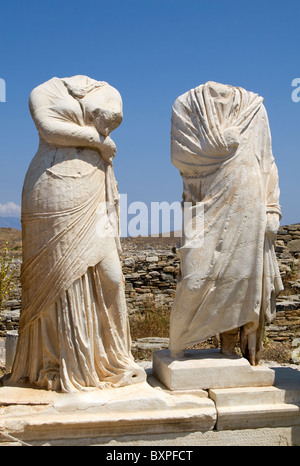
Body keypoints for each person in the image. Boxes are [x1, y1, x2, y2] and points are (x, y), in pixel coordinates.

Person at [9, 75, 145, 392]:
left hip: (95, 185)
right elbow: (49, 129)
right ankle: (56, 363)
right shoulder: (42, 90)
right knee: (56, 276)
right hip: (50, 184)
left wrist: (99, 128)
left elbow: (112, 119)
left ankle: (106, 361)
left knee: (110, 276)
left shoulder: (109, 90)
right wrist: (97, 141)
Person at [169, 81, 283, 365]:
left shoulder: (255, 107)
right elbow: (180, 155)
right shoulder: (186, 104)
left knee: (240, 278)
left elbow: (267, 161)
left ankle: (230, 343)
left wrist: (272, 208)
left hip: (249, 199)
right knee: (196, 278)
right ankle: (177, 343)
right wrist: (218, 145)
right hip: (204, 201)